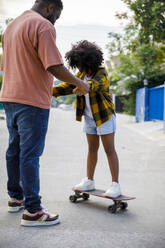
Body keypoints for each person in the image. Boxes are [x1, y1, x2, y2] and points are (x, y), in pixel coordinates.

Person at [0, 0, 89, 227]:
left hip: (10, 97)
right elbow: (54, 66)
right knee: (29, 154)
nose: (56, 20)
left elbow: (7, 65)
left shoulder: (12, 26)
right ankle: (33, 211)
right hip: (32, 102)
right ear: (50, 7)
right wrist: (80, 83)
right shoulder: (43, 25)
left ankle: (15, 197)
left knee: (14, 150)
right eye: (57, 15)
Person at [53, 40, 122, 198]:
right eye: (77, 66)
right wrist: (49, 91)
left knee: (109, 150)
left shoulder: (101, 72)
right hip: (90, 118)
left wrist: (82, 87)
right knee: (92, 149)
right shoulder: (81, 75)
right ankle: (89, 180)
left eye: (81, 66)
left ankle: (115, 184)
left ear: (90, 62)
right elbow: (67, 86)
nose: (79, 69)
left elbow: (95, 84)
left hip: (104, 117)